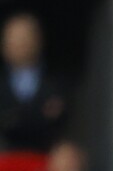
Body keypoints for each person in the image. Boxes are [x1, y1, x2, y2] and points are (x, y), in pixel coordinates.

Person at [0, 12, 67, 153]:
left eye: (25, 38)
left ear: (39, 40)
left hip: (47, 156)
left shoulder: (57, 83)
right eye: (15, 39)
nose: (21, 44)